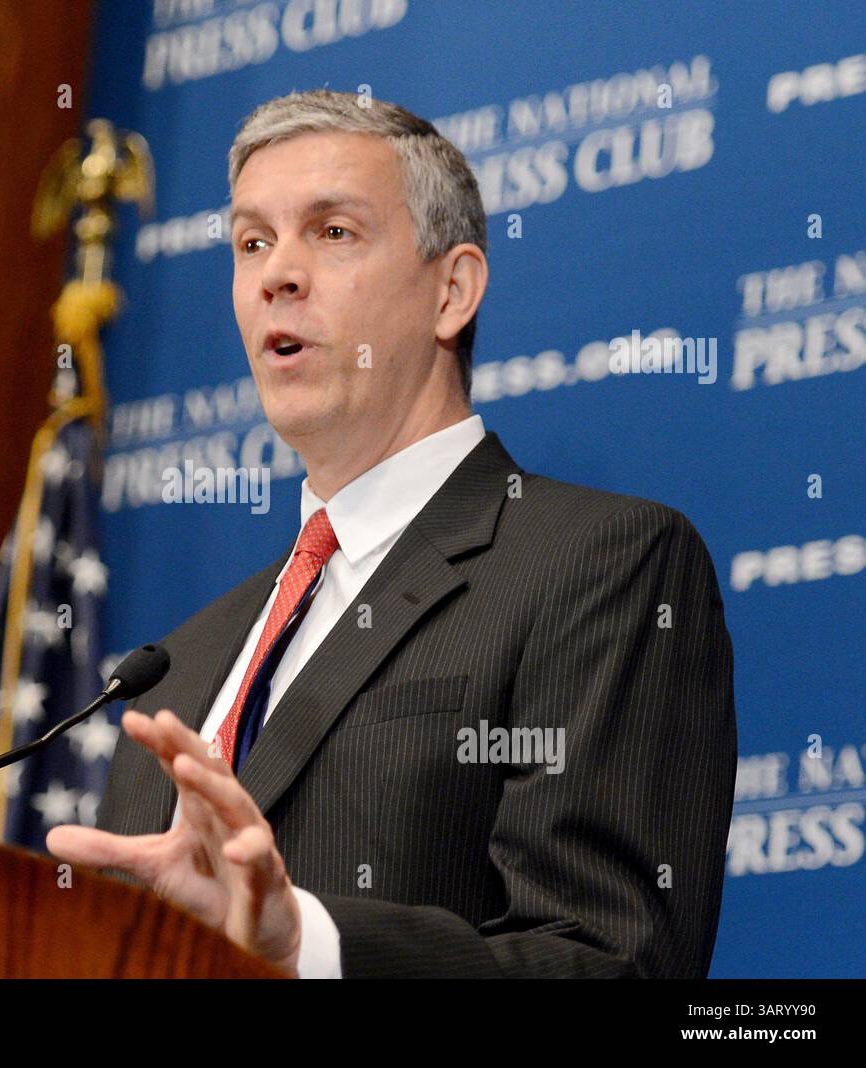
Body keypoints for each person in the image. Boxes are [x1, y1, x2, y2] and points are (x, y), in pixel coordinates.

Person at [46, 89, 737, 979]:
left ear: (452, 291)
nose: (275, 275)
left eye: (332, 232)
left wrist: (310, 947)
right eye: (252, 242)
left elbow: (613, 962)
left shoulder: (601, 565)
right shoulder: (171, 677)